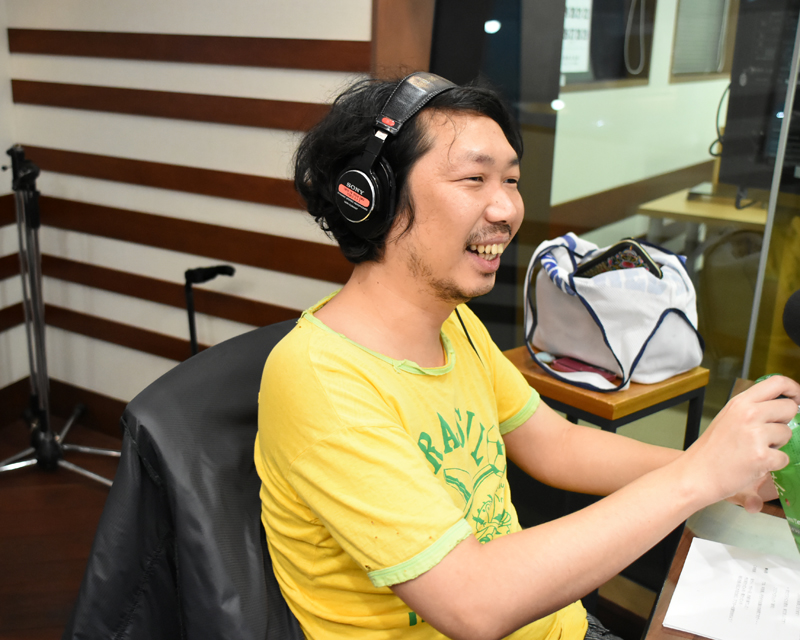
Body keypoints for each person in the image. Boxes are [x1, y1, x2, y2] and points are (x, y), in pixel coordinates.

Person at [254, 72, 800, 640]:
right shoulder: (320, 379)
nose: (508, 209)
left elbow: (556, 444)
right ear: (373, 197)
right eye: (474, 178)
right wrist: (694, 477)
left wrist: (722, 471)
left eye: (511, 180)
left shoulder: (453, 324)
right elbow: (472, 604)